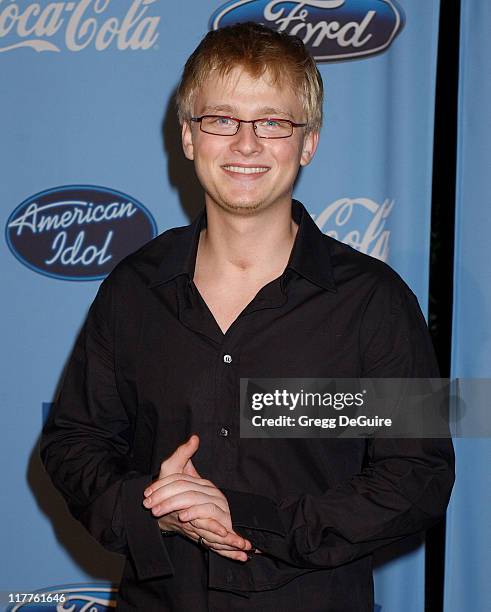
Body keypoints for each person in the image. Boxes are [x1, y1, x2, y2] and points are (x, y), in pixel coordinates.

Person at [40, 22, 455, 612]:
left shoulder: (374, 303)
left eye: (272, 122)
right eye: (222, 119)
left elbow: (417, 478)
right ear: (188, 136)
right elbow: (74, 442)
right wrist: (154, 506)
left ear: (307, 142)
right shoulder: (134, 290)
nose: (246, 144)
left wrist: (254, 519)